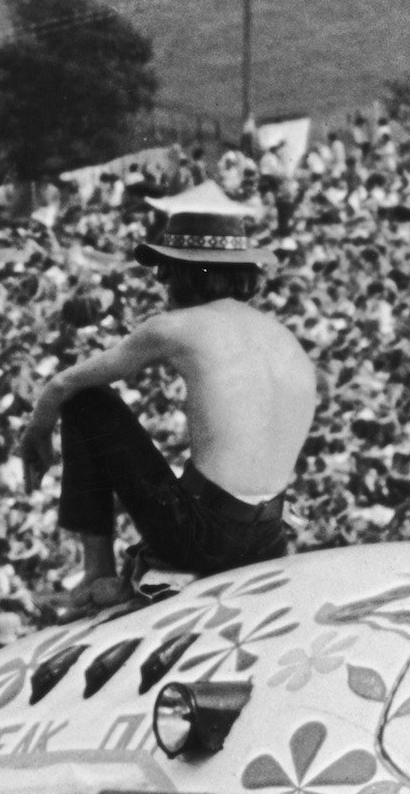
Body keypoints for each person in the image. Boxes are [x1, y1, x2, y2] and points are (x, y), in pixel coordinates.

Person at [16, 189, 317, 611]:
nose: (161, 284)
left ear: (179, 273)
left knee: (89, 402)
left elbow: (64, 384)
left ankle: (96, 575)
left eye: (164, 272)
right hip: (269, 538)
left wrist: (38, 430)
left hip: (205, 539)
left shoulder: (174, 327)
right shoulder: (283, 338)